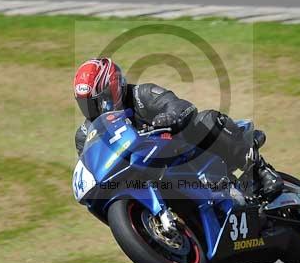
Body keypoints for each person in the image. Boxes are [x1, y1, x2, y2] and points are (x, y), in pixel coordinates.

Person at [73, 57, 283, 199]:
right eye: (86, 104)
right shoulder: (85, 134)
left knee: (207, 120)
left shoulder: (141, 95)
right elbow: (92, 166)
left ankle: (260, 171)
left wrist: (167, 117)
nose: (94, 109)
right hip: (144, 176)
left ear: (114, 87)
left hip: (184, 151)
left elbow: (181, 106)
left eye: (99, 102)